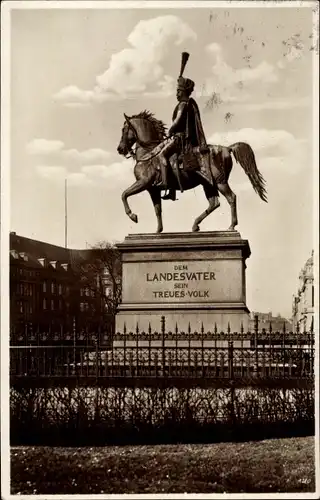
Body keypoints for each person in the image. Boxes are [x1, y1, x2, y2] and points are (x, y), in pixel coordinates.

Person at [158, 55, 209, 201]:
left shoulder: (182, 104)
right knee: (172, 159)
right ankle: (172, 189)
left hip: (179, 139)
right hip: (183, 139)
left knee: (162, 155)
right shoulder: (189, 104)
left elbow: (179, 119)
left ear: (183, 92)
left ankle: (166, 185)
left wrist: (171, 129)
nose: (177, 93)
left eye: (179, 91)